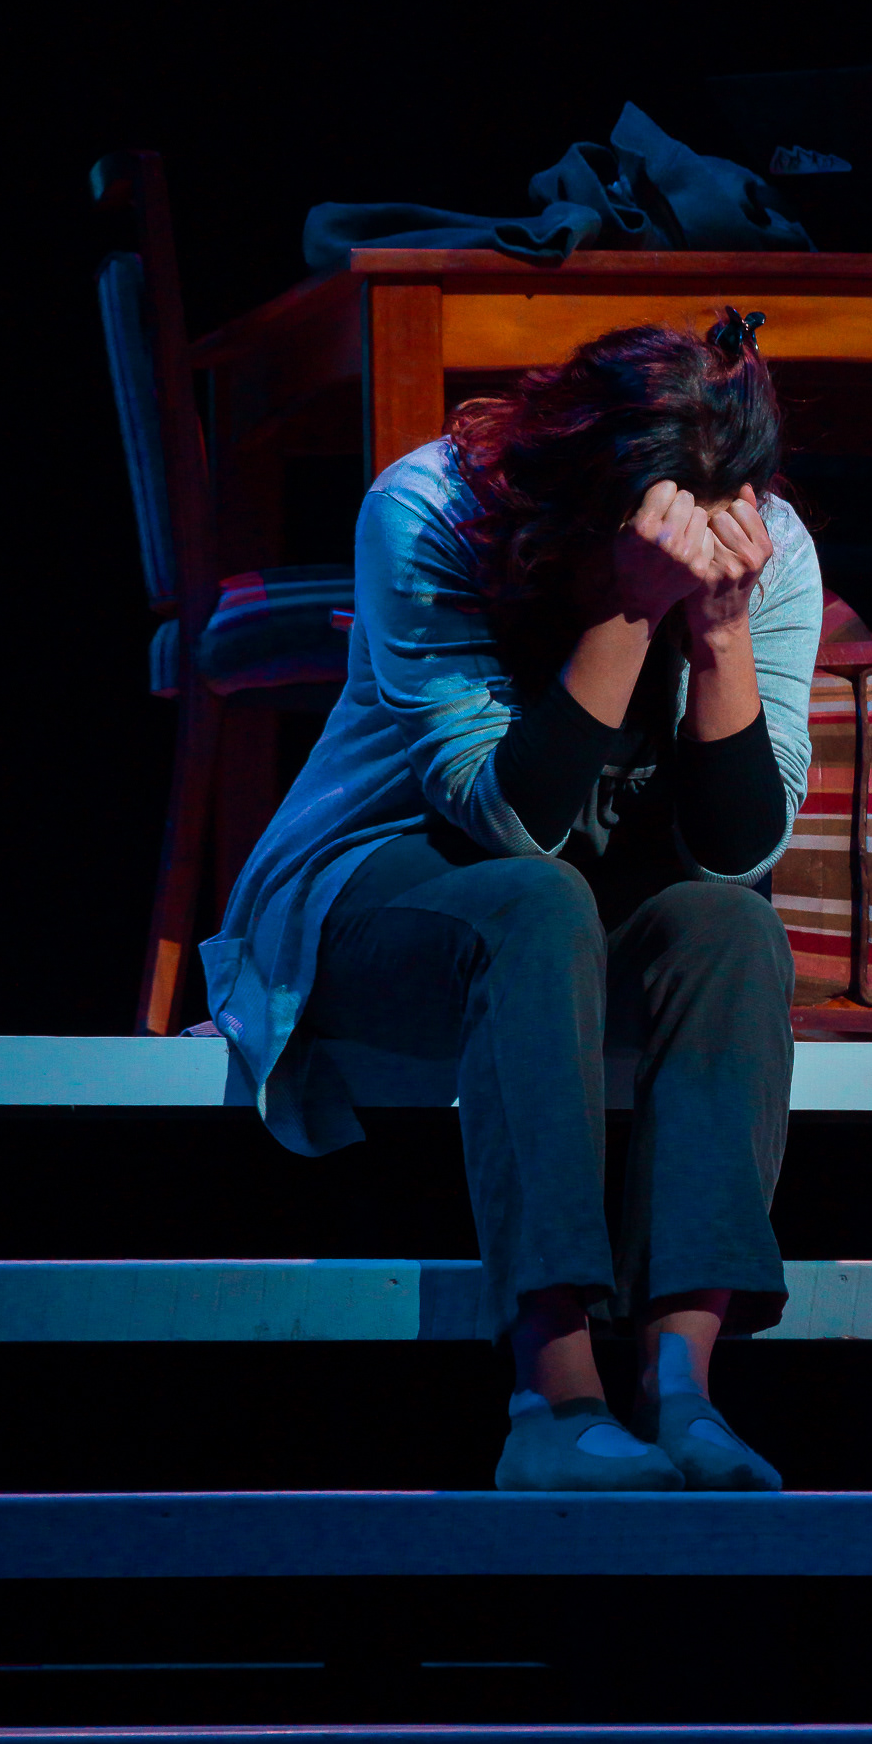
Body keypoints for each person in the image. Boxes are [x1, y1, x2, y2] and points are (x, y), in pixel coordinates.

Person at [203, 313, 821, 1487]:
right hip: (382, 882)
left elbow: (738, 850)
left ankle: (683, 1389)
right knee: (536, 900)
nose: (698, 546)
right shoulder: (430, 507)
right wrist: (630, 610)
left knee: (733, 927)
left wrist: (721, 630)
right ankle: (555, 1400)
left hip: (594, 911)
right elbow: (502, 816)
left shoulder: (767, 542)